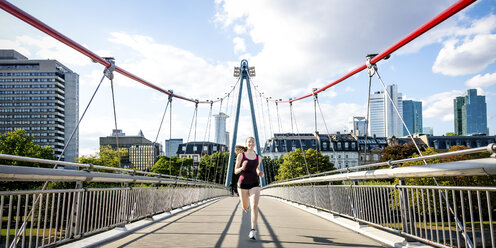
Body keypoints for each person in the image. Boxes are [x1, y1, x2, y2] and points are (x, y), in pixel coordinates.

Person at [234, 137, 264, 240]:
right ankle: (244, 206)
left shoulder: (258, 157)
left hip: (255, 184)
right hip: (243, 184)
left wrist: (259, 173)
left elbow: (257, 169)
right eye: (249, 142)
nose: (251, 143)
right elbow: (235, 171)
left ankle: (253, 230)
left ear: (255, 144)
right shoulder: (241, 156)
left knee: (254, 205)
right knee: (245, 206)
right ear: (246, 144)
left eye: (253, 141)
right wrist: (242, 168)